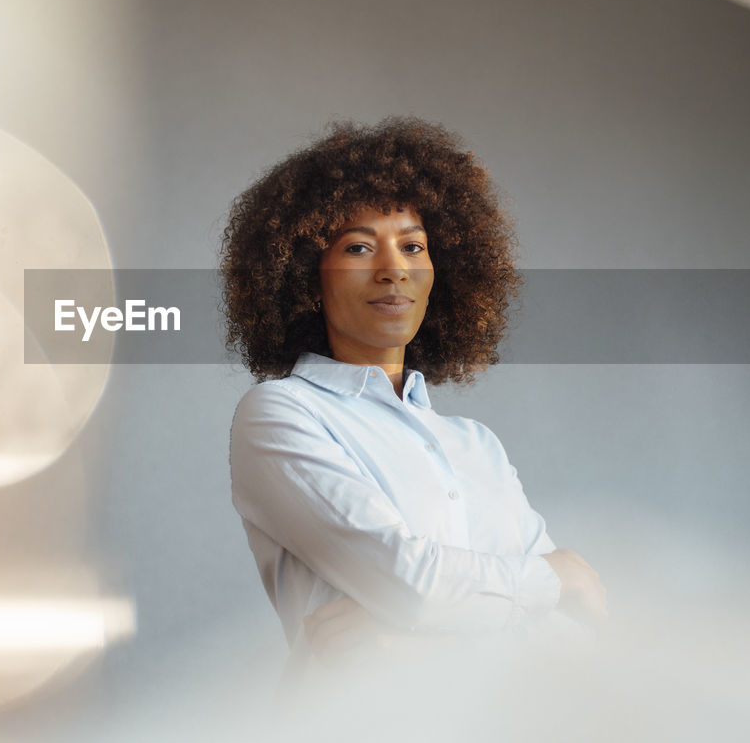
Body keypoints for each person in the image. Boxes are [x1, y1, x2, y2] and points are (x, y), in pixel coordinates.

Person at [220, 118, 605, 681]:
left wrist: (417, 644)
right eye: (357, 247)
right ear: (306, 276)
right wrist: (557, 575)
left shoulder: (478, 446)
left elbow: (579, 640)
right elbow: (409, 585)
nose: (392, 269)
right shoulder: (281, 414)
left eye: (412, 246)